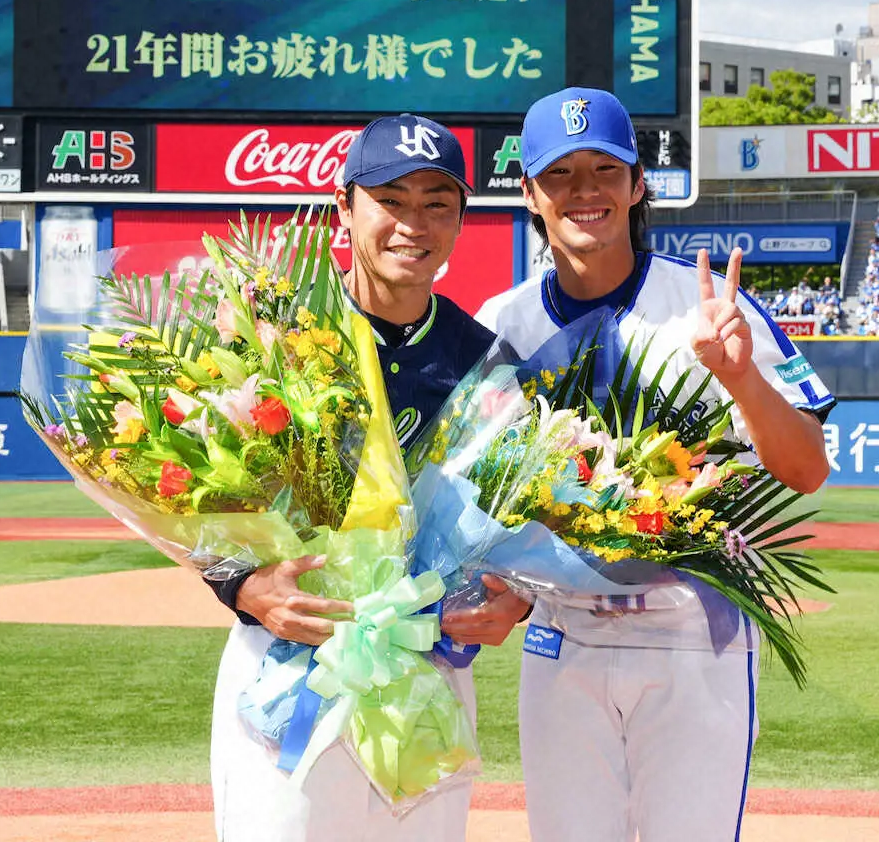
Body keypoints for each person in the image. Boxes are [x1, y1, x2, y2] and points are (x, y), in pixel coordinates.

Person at [476, 87, 834, 842]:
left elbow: (806, 470)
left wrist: (739, 377)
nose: (584, 191)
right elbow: (479, 502)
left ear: (638, 185)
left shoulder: (702, 306)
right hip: (560, 641)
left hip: (691, 641)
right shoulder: (500, 326)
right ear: (530, 194)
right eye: (560, 174)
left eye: (603, 169)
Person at [204, 112, 509, 842]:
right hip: (287, 653)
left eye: (438, 202)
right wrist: (238, 584)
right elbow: (198, 490)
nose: (414, 222)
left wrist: (514, 601)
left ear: (461, 219)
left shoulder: (482, 359)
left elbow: (514, 517)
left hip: (423, 662)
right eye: (391, 199)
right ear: (344, 208)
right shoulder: (275, 332)